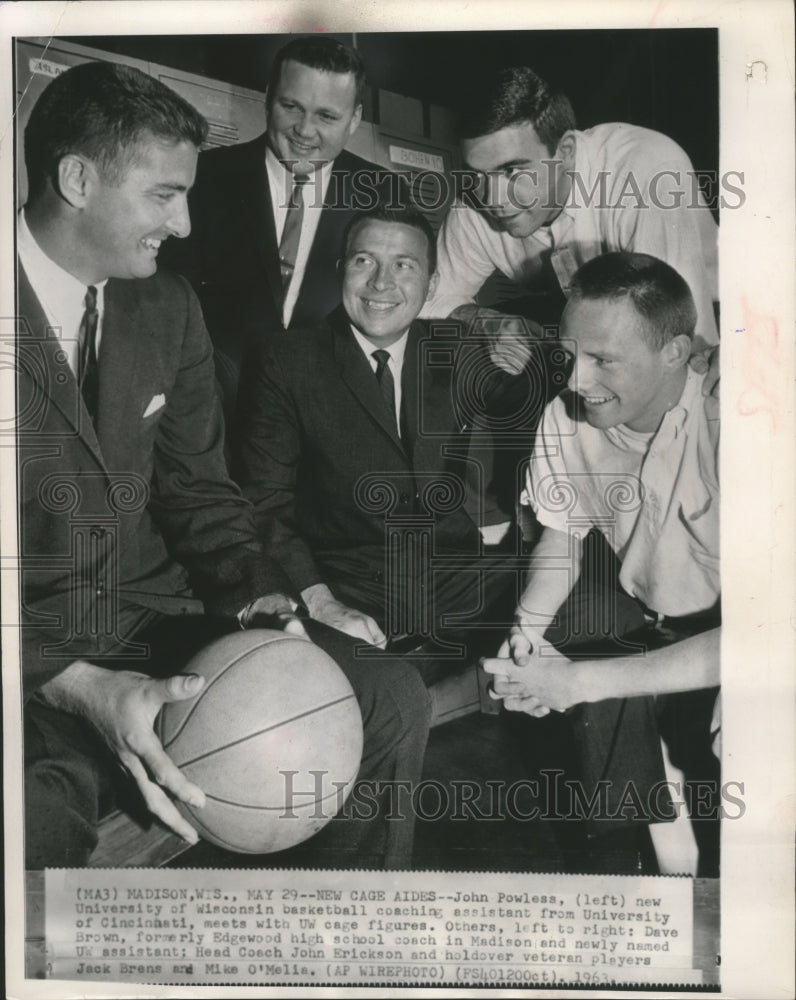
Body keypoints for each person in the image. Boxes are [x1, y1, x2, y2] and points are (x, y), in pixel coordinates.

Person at [17, 60, 429, 871]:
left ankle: (345, 953)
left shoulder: (166, 307)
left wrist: (261, 597)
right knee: (34, 818)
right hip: (29, 655)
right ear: (76, 178)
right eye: (165, 195)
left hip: (154, 619)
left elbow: (202, 494)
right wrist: (74, 682)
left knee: (385, 697)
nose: (185, 224)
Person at [482, 252, 720, 876]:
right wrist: (525, 636)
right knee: (569, 625)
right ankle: (621, 869)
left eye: (603, 360)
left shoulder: (735, 420)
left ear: (676, 352)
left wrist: (580, 682)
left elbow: (770, 637)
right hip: (652, 609)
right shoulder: (564, 417)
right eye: (569, 353)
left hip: (742, 635)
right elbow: (561, 541)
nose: (574, 378)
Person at [233, 206, 535, 683]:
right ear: (340, 272)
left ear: (432, 286)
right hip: (351, 587)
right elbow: (264, 504)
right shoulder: (287, 359)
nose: (381, 283)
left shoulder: (454, 350)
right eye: (364, 261)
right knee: (373, 693)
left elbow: (541, 399)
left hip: (458, 578)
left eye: (404, 265)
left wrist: (517, 341)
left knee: (603, 612)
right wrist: (320, 601)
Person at [161, 35, 406, 420]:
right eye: (291, 107)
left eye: (326, 116)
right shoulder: (203, 178)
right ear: (267, 97)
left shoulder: (385, 193)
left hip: (329, 424)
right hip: (213, 416)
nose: (304, 131)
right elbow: (165, 302)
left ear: (355, 119)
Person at [422, 66, 719, 356]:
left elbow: (683, 342)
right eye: (476, 174)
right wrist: (483, 321)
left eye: (512, 170)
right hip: (584, 319)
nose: (492, 198)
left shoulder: (646, 172)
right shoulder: (474, 204)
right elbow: (426, 300)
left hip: (723, 321)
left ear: (565, 152)